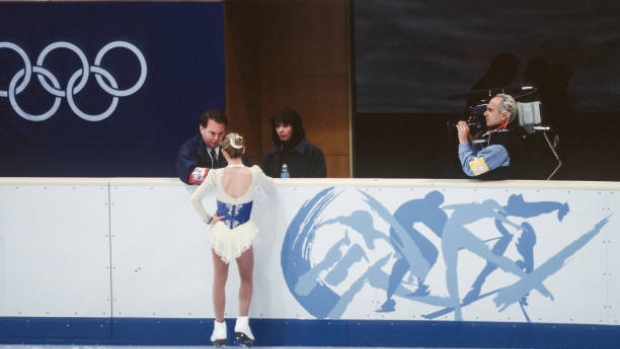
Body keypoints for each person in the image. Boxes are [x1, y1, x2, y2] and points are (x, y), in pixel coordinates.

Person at [190, 132, 272, 346]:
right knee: (246, 278)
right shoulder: (255, 172)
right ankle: (242, 324)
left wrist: (209, 219)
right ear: (243, 151)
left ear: (224, 152)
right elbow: (272, 186)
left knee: (220, 278)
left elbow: (195, 199)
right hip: (243, 231)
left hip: (221, 232)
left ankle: (219, 329)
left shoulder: (215, 174)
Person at [456, 93, 525, 179]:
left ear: (504, 115)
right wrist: (475, 143)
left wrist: (463, 141)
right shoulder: (508, 135)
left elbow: (471, 169)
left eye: (490, 110)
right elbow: (484, 161)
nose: (485, 114)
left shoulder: (501, 145)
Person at [176, 109, 249, 185]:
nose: (216, 138)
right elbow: (188, 173)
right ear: (201, 129)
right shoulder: (189, 149)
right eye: (212, 133)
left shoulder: (232, 146)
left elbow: (246, 169)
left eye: (221, 133)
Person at [261, 107, 327, 178]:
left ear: (295, 127)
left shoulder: (313, 153)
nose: (280, 130)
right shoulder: (271, 155)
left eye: (285, 126)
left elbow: (319, 183)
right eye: (277, 126)